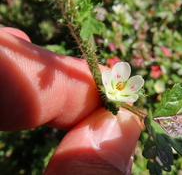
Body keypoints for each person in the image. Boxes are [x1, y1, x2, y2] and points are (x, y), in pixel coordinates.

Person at [0, 27, 141, 175]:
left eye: (122, 86)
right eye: (118, 84)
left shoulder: (128, 91)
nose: (120, 86)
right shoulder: (107, 81)